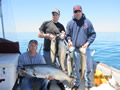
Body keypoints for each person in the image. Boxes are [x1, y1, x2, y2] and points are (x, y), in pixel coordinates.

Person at [66, 5, 96, 90]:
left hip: (85, 49)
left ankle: (88, 84)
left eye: (79, 11)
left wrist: (87, 43)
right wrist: (69, 40)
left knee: (89, 67)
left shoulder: (88, 22)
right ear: (73, 12)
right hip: (75, 49)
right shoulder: (70, 23)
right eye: (76, 11)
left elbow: (93, 34)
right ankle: (76, 83)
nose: (77, 13)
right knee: (76, 68)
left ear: (82, 11)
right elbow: (68, 35)